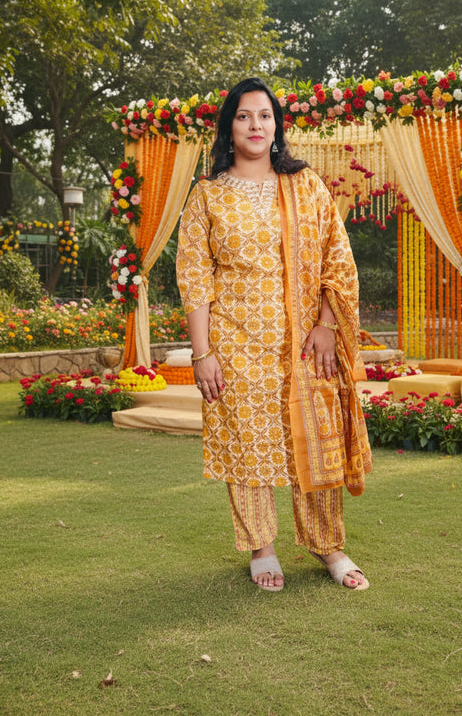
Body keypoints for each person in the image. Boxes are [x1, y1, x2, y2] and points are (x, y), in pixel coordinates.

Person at [176, 77, 372, 592]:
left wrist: (327, 326)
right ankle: (262, 549)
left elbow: (337, 258)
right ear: (229, 127)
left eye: (264, 115)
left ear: (277, 125)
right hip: (236, 345)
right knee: (250, 447)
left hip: (305, 344)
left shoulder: (306, 185)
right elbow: (194, 277)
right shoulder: (207, 196)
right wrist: (202, 354)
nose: (255, 125)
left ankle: (329, 546)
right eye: (243, 116)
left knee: (316, 439)